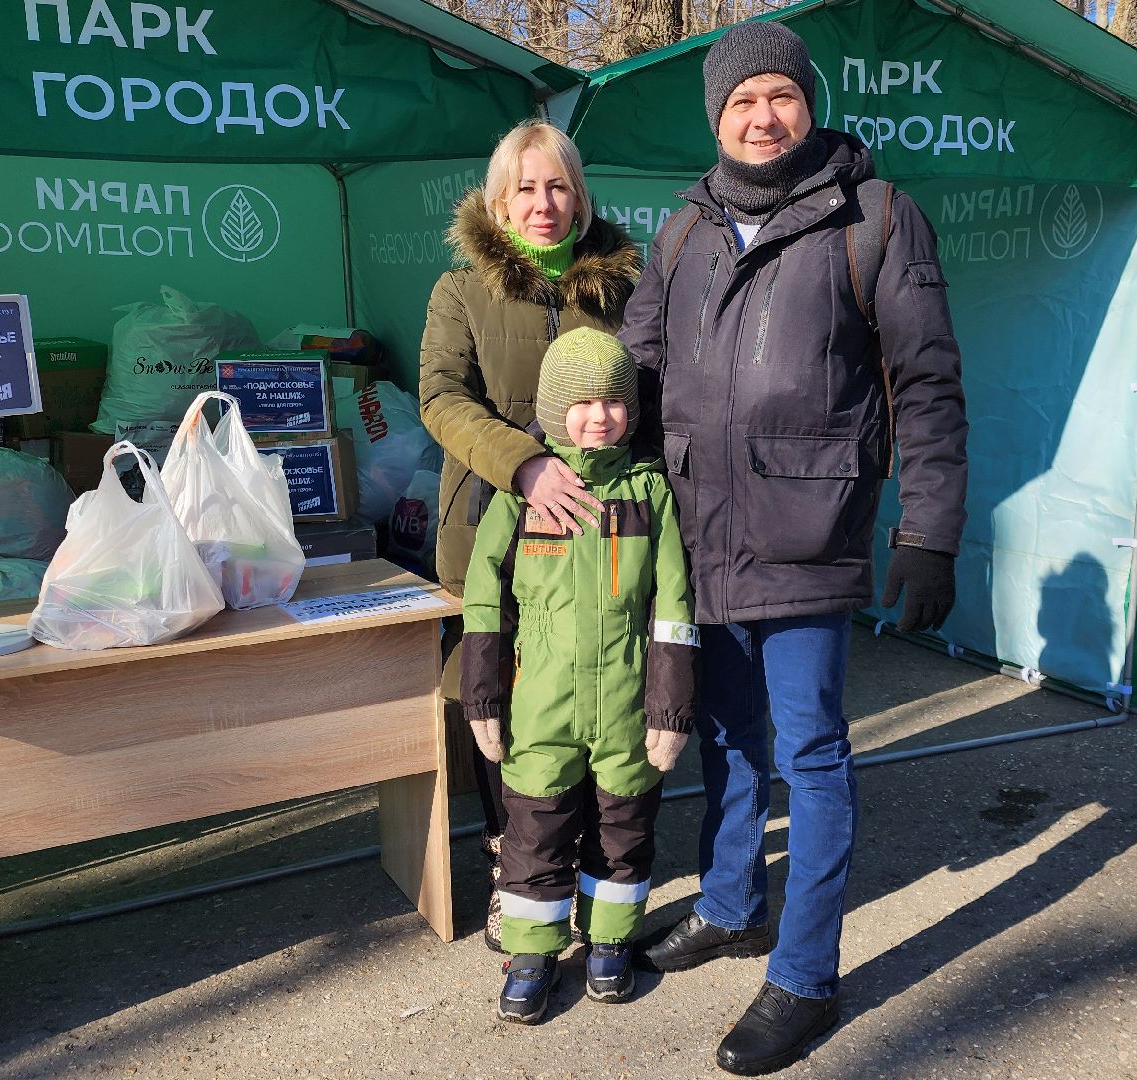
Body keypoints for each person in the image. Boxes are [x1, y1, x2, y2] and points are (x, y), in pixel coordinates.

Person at [618, 20, 969, 1077]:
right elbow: (634, 364)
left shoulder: (875, 216)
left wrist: (930, 532)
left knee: (810, 752)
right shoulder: (680, 229)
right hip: (696, 529)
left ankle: (805, 976)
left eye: (778, 95)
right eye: (740, 102)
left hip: (807, 530)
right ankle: (730, 907)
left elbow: (927, 383)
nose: (760, 117)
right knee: (725, 739)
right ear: (716, 118)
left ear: (807, 104)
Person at [419, 120, 642, 950]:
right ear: (497, 198)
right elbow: (441, 398)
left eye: (557, 186)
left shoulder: (623, 287)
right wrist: (525, 466)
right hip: (493, 524)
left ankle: (591, 859)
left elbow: (647, 396)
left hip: (603, 533)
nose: (542, 205)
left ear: (579, 195)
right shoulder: (461, 291)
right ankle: (510, 867)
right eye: (525, 187)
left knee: (594, 685)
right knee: (499, 698)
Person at [458, 327, 696, 1023]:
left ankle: (610, 941)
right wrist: (484, 697)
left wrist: (670, 708)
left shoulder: (650, 494)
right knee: (535, 832)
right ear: (555, 406)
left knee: (623, 832)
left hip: (626, 707)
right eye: (583, 402)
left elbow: (674, 606)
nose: (600, 417)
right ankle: (532, 952)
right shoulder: (519, 494)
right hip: (542, 707)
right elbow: (483, 601)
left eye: (615, 402)